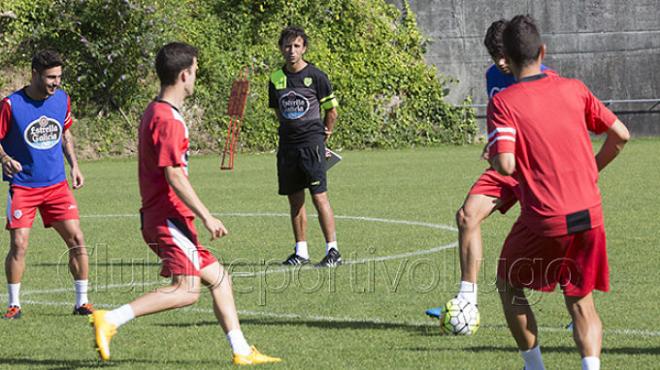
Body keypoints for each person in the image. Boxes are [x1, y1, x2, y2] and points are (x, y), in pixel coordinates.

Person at [89, 42, 281, 365]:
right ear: (183, 75)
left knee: (219, 279)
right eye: (194, 71)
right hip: (167, 218)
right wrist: (207, 216)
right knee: (187, 290)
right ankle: (110, 319)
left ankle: (241, 350)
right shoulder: (168, 120)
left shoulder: (155, 110)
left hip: (165, 216)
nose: (196, 76)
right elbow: (174, 175)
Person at [488, 15, 629, 370]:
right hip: (589, 212)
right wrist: (590, 171)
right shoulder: (574, 88)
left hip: (546, 217)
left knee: (507, 284)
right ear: (542, 51)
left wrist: (499, 153)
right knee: (581, 301)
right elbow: (621, 135)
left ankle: (534, 367)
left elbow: (504, 164)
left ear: (507, 59)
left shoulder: (504, 102)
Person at [426, 19, 555, 317]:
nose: (499, 61)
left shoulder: (545, 77)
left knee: (555, 231)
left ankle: (579, 308)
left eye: (503, 53)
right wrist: (494, 142)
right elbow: (502, 121)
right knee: (467, 215)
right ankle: (467, 303)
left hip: (539, 170)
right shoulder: (492, 75)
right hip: (505, 168)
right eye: (493, 55)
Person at [0, 49, 94, 319]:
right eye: (51, 77)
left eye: (59, 77)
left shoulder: (62, 99)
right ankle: (14, 304)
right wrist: (4, 157)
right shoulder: (11, 105)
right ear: (34, 74)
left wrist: (74, 165)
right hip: (23, 186)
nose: (56, 82)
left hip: (56, 185)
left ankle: (82, 302)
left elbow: (65, 132)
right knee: (19, 244)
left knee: (77, 239)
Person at [268, 26, 341, 267]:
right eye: (287, 46)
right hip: (288, 147)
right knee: (295, 201)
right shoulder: (276, 78)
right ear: (281, 48)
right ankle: (301, 252)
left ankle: (333, 251)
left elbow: (332, 110)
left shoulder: (317, 76)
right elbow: (279, 111)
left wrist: (323, 135)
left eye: (296, 46)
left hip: (312, 147)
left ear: (304, 48)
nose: (292, 51)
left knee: (319, 197)